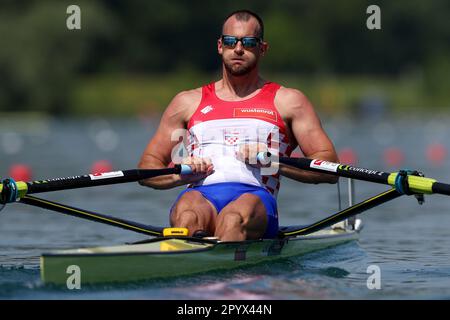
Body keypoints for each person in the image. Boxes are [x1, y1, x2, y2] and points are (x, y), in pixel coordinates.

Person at [138, 10, 339, 241]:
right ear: (220, 46)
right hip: (199, 194)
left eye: (249, 42)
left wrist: (272, 161)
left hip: (255, 198)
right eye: (231, 41)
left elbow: (330, 166)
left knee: (233, 219)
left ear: (262, 49)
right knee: (187, 216)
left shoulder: (288, 101)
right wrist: (179, 175)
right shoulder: (187, 102)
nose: (239, 49)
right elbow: (147, 168)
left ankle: (219, 266)